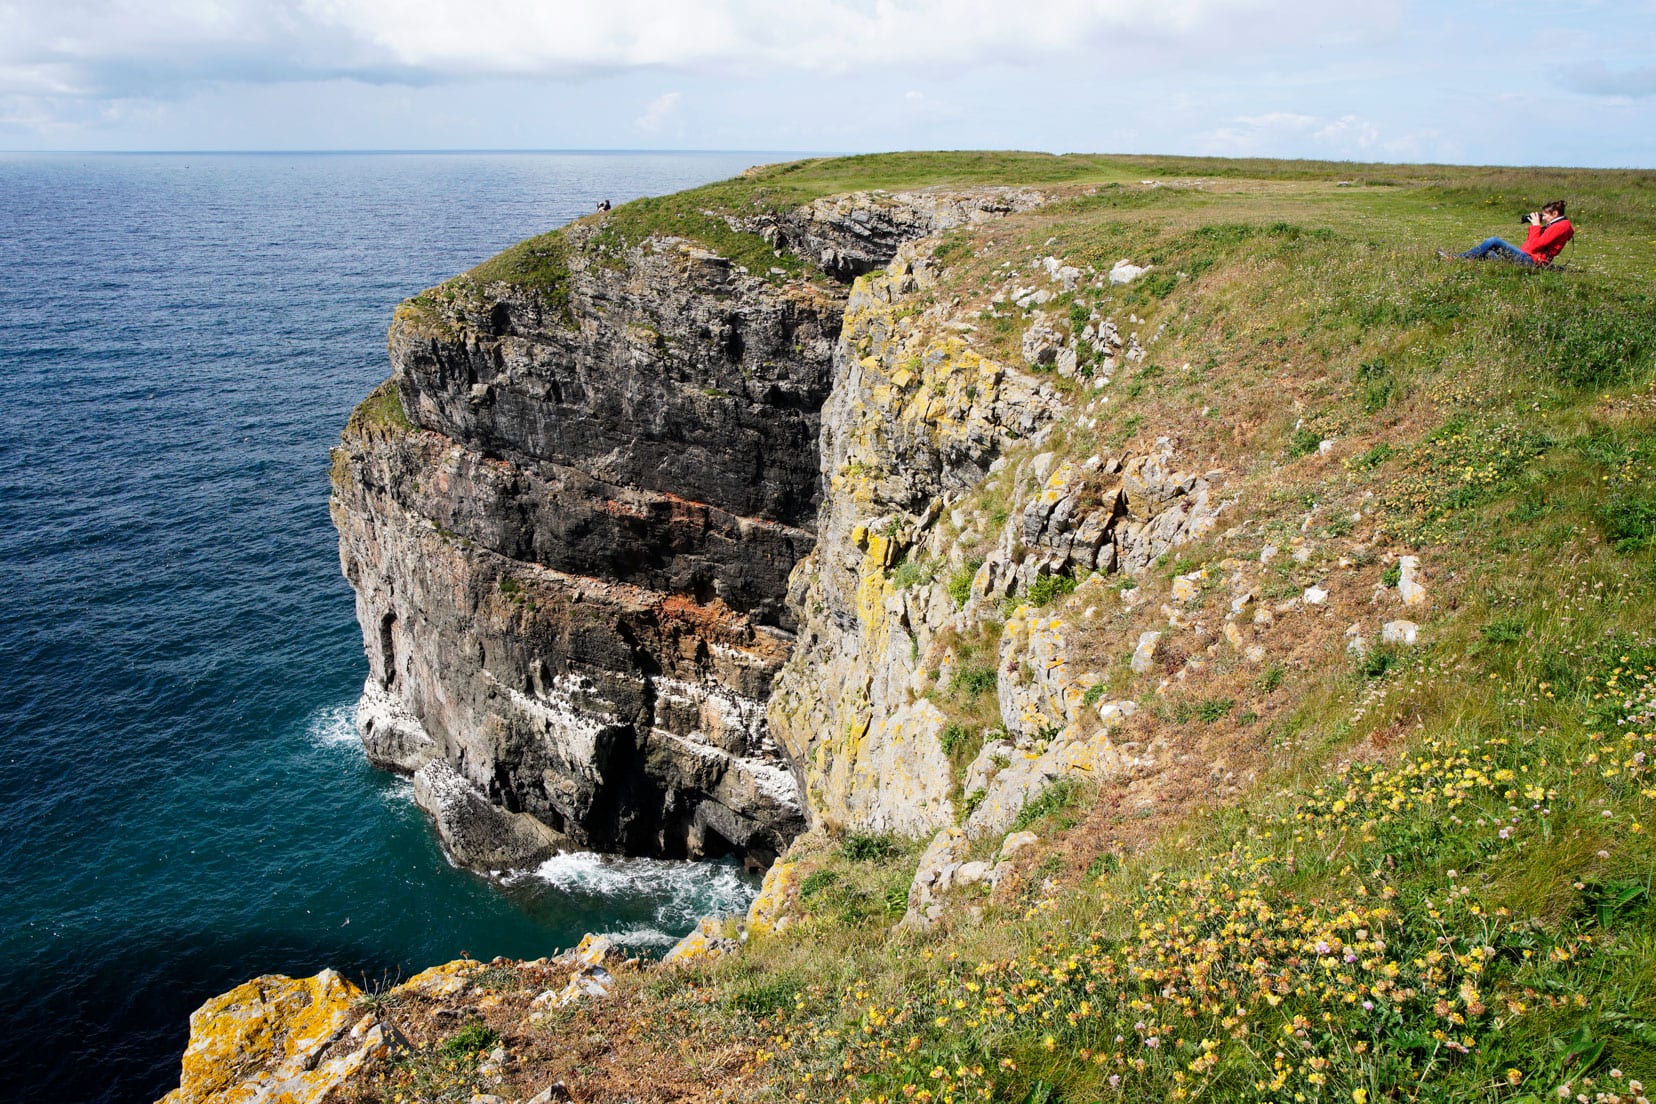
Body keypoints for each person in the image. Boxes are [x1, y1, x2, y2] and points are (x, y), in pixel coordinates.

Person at [1447, 200, 1573, 266]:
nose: (1544, 218)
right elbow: (1532, 243)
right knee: (1488, 253)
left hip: (1533, 261)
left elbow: (1535, 246)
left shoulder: (1560, 227)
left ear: (1555, 214)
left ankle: (1455, 259)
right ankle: (1466, 261)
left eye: (1545, 215)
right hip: (1529, 257)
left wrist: (1536, 226)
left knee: (1494, 241)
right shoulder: (1557, 225)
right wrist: (1536, 227)